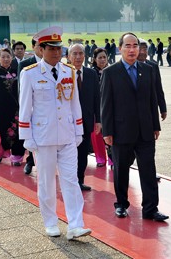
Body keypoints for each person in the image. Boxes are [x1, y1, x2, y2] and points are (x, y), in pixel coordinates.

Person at [19, 26, 92, 240]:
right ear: (41, 49)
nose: (56, 52)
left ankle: (76, 225)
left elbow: (74, 103)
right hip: (43, 138)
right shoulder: (30, 73)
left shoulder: (68, 71)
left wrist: (79, 130)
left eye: (58, 48)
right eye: (51, 48)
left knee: (71, 180)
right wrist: (27, 137)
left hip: (67, 135)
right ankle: (50, 222)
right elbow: (25, 107)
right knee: (47, 182)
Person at [100, 32, 168, 222]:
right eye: (128, 46)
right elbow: (106, 105)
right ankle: (121, 204)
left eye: (135, 46)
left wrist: (155, 125)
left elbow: (151, 99)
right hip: (121, 132)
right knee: (121, 170)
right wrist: (108, 132)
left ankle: (151, 209)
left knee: (149, 170)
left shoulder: (148, 70)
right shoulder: (110, 72)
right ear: (120, 48)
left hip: (146, 130)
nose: (132, 50)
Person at [68, 44, 101, 191]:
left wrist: (98, 120)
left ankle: (80, 180)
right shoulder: (63, 73)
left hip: (86, 122)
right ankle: (69, 180)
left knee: (83, 153)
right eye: (74, 54)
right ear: (68, 57)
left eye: (80, 53)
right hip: (68, 123)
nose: (78, 57)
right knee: (68, 154)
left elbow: (97, 98)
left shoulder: (91, 74)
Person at [0, 48, 25, 165]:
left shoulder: (17, 72)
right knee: (3, 131)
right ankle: (1, 152)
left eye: (8, 56)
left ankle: (16, 157)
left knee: (18, 132)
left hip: (16, 109)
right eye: (3, 57)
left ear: (12, 58)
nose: (6, 59)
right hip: (1, 108)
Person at [17, 36, 43, 175]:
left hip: (45, 112)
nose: (41, 48)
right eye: (39, 45)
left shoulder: (55, 64)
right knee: (31, 141)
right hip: (31, 109)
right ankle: (29, 162)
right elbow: (21, 90)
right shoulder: (26, 65)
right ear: (33, 47)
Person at [90, 48, 113, 168]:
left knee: (110, 134)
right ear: (94, 59)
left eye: (104, 57)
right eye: (100, 57)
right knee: (97, 134)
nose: (103, 60)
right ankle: (100, 159)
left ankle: (112, 159)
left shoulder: (112, 71)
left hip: (110, 107)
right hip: (96, 108)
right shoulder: (91, 73)